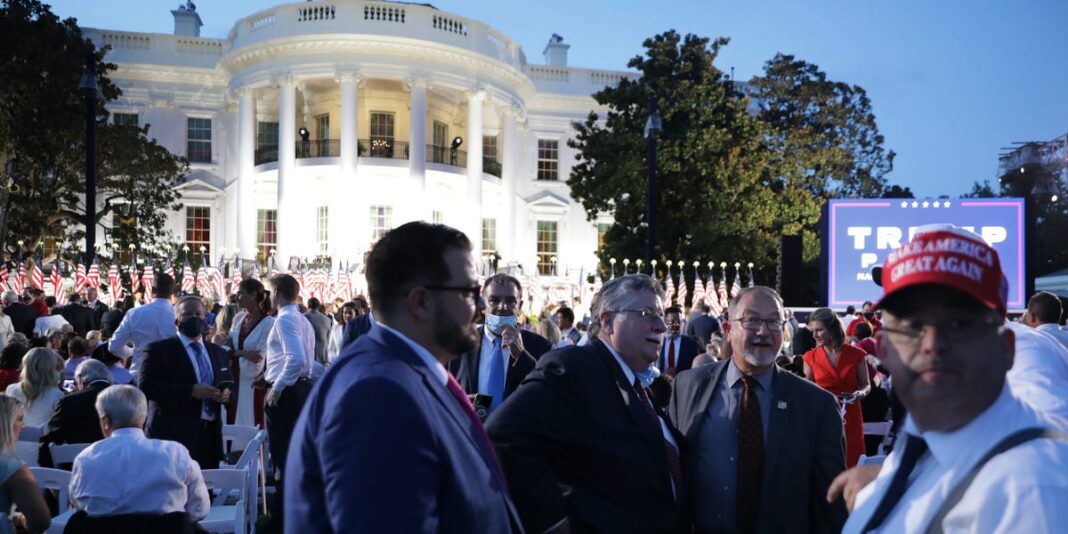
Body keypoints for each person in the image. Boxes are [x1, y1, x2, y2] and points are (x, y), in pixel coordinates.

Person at [287, 222, 521, 532]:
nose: (480, 306)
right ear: (421, 302)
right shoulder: (378, 394)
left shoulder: (405, 373)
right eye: (468, 292)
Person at [833, 225, 1068, 532]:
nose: (931, 342)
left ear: (1004, 347)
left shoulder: (1026, 489)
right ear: (885, 348)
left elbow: (1052, 431)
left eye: (958, 323)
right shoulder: (925, 440)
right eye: (909, 323)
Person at [487, 273, 683, 533]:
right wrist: (556, 521)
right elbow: (501, 438)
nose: (661, 326)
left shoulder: (637, 385)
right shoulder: (575, 367)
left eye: (661, 316)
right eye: (648, 314)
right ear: (608, 321)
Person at [669, 286, 847, 533]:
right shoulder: (687, 387)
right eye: (751, 320)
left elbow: (830, 505)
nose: (764, 331)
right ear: (728, 330)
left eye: (774, 322)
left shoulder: (817, 406)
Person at [69, 385, 210, 521]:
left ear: (105, 421)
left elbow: (79, 504)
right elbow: (199, 509)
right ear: (145, 415)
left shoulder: (86, 458)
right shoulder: (175, 453)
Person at [138, 295, 231, 470]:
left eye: (199, 313)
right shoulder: (159, 350)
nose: (194, 318)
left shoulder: (218, 353)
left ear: (206, 317)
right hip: (171, 435)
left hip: (208, 436)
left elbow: (231, 386)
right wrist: (190, 391)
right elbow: (145, 387)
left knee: (204, 495)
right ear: (176, 320)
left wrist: (226, 395)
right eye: (187, 314)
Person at [449, 273, 553, 414]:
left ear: (520, 305)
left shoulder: (540, 347)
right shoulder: (459, 344)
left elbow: (549, 395)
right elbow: (439, 391)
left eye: (511, 301)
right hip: (470, 432)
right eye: (494, 300)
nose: (503, 307)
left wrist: (521, 356)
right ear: (482, 304)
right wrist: (459, 403)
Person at [263, 273, 315, 527]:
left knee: (283, 456)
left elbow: (296, 359)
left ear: (278, 292)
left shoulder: (285, 320)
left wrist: (278, 386)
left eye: (270, 292)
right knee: (295, 455)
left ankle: (283, 517)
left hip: (288, 393)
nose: (269, 296)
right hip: (300, 389)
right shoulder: (303, 320)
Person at [802, 307, 870, 468]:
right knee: (825, 463)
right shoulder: (810, 357)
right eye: (813, 330)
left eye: (819, 330)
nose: (814, 335)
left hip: (850, 415)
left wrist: (860, 393)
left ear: (832, 329)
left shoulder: (856, 354)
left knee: (852, 461)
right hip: (822, 416)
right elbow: (806, 388)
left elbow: (866, 384)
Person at [38, 359, 112, 468]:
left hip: (77, 468)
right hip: (119, 469)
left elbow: (50, 440)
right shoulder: (127, 396)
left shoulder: (69, 402)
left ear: (81, 380)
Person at [0, 394, 52, 533]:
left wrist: (13, 517)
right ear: (5, 423)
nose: (24, 425)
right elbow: (40, 521)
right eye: (19, 419)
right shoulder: (13, 469)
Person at [227, 278, 274, 428]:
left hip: (253, 381)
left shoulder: (268, 323)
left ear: (253, 295)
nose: (237, 297)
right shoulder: (238, 318)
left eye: (240, 293)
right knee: (231, 421)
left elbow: (259, 356)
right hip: (233, 378)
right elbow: (229, 343)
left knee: (251, 421)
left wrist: (236, 353)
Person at [108, 274, 178, 373]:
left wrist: (134, 352)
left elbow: (114, 346)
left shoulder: (134, 313)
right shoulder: (180, 315)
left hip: (140, 373)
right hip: (172, 374)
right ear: (172, 292)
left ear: (152, 290)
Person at [5, 348, 64, 428]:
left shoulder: (11, 389)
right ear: (51, 368)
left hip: (17, 438)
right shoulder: (57, 394)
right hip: (40, 438)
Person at [660, 306, 701, 377]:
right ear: (665, 322)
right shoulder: (658, 342)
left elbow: (695, 369)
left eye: (678, 322)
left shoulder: (691, 344)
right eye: (672, 322)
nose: (676, 325)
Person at [303, 297, 333, 365]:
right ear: (318, 306)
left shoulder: (303, 317)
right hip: (323, 355)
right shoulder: (327, 319)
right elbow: (328, 339)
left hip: (308, 356)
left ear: (308, 306)